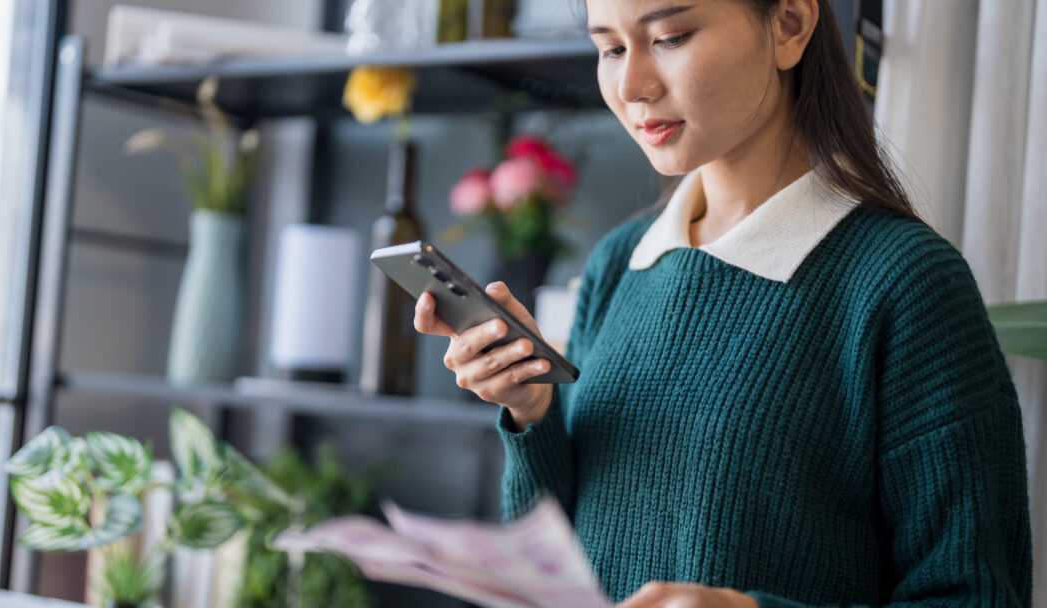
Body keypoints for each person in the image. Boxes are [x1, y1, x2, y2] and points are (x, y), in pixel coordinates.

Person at [414, 0, 1032, 606]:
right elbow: (559, 561)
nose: (632, 85)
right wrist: (531, 411)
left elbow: (972, 593)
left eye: (672, 36)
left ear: (789, 25)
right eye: (610, 48)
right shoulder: (621, 261)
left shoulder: (904, 281)